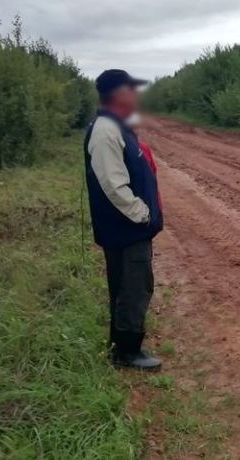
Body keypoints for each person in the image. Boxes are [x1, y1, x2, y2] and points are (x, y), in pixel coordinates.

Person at [84, 69, 164, 371]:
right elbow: (113, 185)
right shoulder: (106, 130)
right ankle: (128, 352)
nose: (136, 96)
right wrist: (141, 214)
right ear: (119, 94)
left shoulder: (116, 126)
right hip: (127, 229)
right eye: (132, 90)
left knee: (126, 285)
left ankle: (121, 342)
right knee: (134, 287)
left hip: (124, 229)